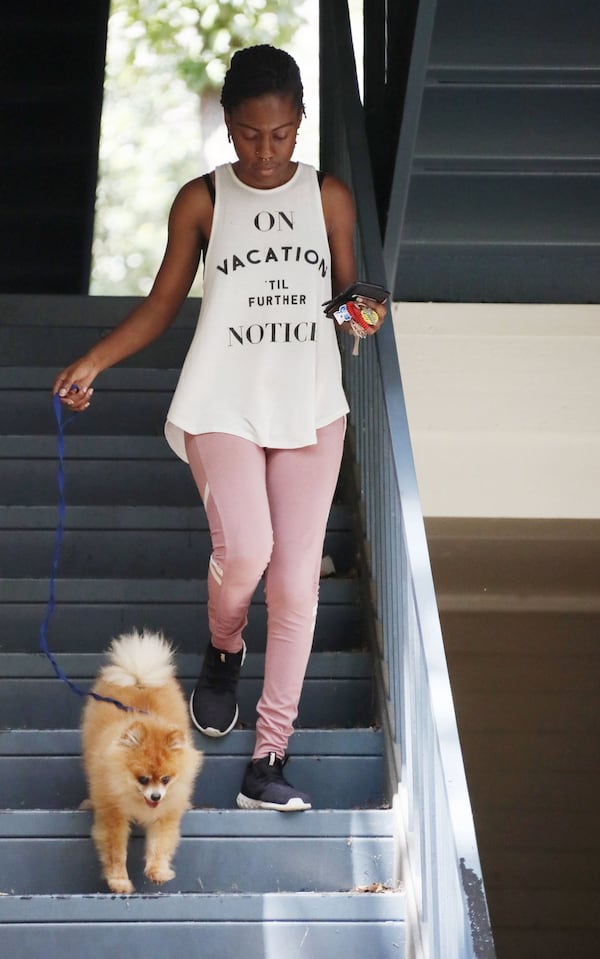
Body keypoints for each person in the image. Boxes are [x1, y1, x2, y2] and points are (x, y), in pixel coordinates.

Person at [53, 45, 386, 811]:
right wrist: (93, 361)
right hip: (221, 400)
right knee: (248, 555)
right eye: (247, 134)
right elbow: (165, 303)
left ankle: (267, 759)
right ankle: (225, 644)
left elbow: (348, 292)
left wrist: (361, 311)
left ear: (300, 125)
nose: (264, 152)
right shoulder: (202, 199)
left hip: (308, 402)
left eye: (280, 135)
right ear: (229, 128)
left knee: (297, 584)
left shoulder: (328, 195)